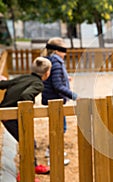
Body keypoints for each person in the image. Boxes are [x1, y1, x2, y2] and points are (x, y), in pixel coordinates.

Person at [0, 57, 52, 182]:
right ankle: (24, 174)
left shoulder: (24, 77)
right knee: (27, 142)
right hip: (11, 117)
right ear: (47, 73)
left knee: (29, 140)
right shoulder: (38, 84)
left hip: (7, 113)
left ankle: (33, 166)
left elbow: (3, 85)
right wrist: (28, 110)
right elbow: (26, 95)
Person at [41, 37, 78, 165]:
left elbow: (53, 79)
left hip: (51, 99)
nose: (65, 53)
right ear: (56, 51)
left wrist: (65, 77)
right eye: (63, 50)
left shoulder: (51, 61)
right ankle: (54, 156)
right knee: (60, 128)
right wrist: (74, 96)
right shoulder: (56, 62)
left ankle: (51, 150)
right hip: (55, 100)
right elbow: (57, 85)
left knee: (57, 127)